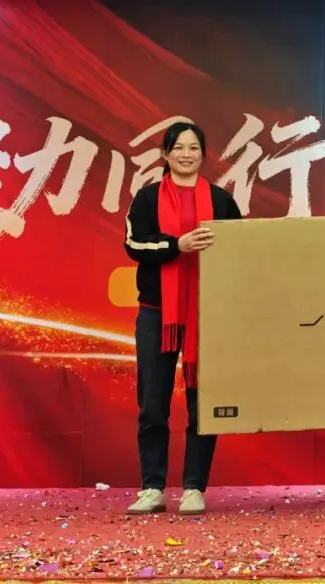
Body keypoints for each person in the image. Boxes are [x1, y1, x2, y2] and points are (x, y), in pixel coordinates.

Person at [122, 121, 242, 515]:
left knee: (202, 404)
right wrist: (178, 245)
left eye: (193, 147)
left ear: (203, 154)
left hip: (207, 315)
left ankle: (194, 487)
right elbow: (134, 245)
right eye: (179, 147)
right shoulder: (147, 198)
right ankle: (152, 487)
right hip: (157, 314)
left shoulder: (222, 201)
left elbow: (240, 250)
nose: (186, 154)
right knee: (152, 403)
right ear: (165, 154)